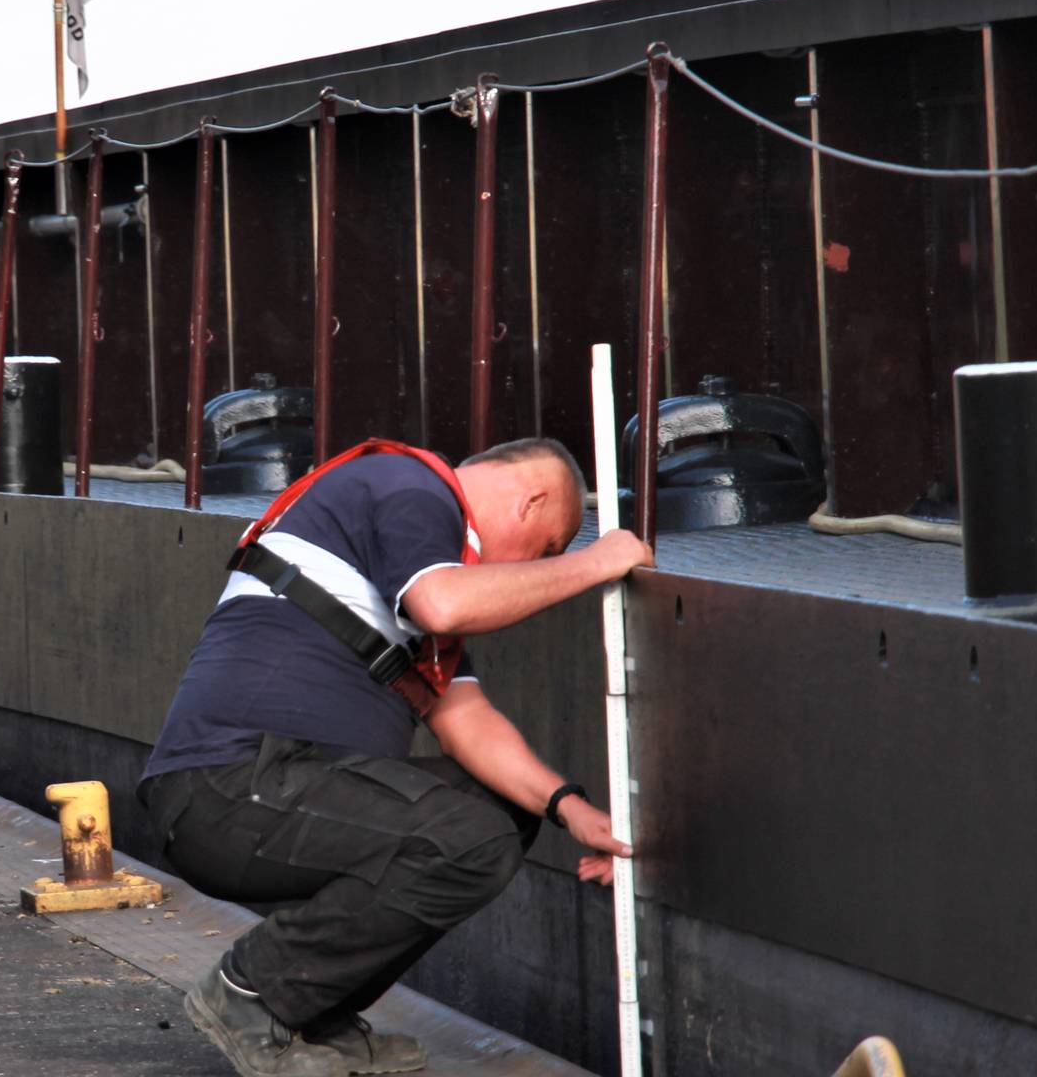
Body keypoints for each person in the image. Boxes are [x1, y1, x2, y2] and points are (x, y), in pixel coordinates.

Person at [139, 437, 652, 1077]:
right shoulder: (408, 489)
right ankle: (251, 995)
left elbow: (465, 720)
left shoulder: (408, 579)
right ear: (532, 502)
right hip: (228, 787)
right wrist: (598, 562)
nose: (535, 567)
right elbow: (446, 600)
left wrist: (567, 807)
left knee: (494, 814)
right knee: (466, 838)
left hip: (283, 790)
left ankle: (309, 1016)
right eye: (547, 549)